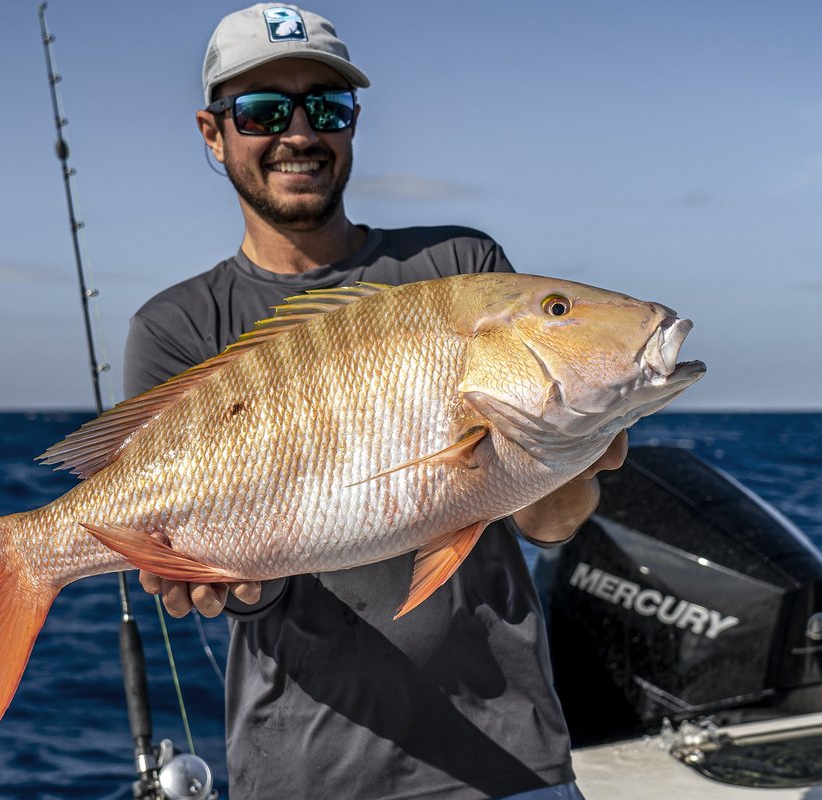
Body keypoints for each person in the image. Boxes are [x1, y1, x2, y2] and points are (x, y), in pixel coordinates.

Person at [122, 5, 627, 798]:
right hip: (301, 770)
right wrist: (207, 575)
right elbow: (237, 588)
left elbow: (551, 524)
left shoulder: (461, 266)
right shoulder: (177, 327)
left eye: (326, 106)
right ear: (212, 133)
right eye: (262, 111)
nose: (298, 133)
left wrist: (570, 444)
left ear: (354, 122)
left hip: (508, 758)